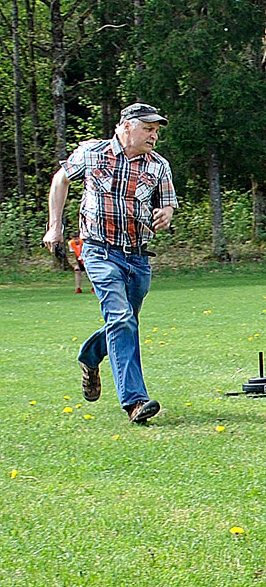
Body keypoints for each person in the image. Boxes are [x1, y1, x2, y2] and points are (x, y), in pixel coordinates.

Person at [42, 103, 178, 424]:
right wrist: (55, 225)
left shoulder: (158, 166)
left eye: (157, 130)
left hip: (138, 256)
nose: (154, 136)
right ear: (127, 127)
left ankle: (90, 356)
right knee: (121, 319)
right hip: (99, 251)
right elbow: (61, 180)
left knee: (124, 321)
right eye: (148, 129)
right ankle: (134, 401)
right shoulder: (93, 153)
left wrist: (166, 214)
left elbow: (169, 202)